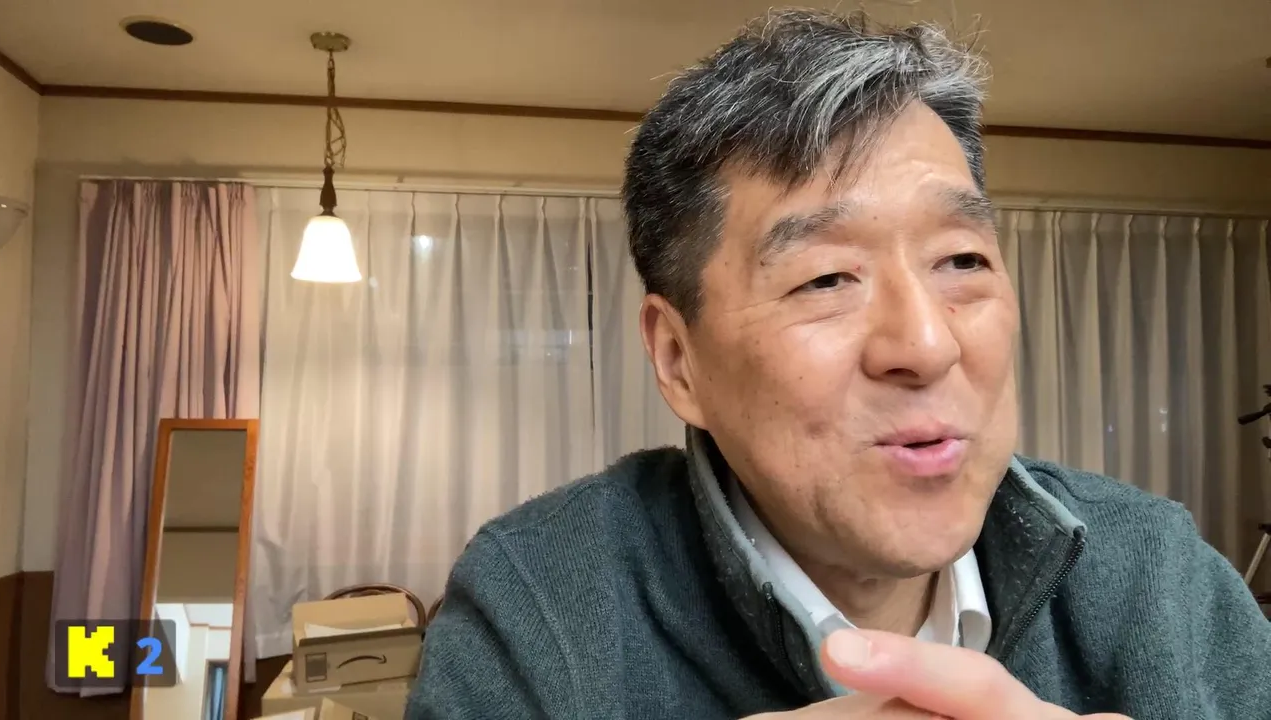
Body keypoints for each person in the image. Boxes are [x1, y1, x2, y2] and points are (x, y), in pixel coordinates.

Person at [408, 9, 1271, 719]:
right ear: (678, 360)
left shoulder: (1155, 572)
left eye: (962, 260)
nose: (927, 344)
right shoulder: (542, 606)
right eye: (826, 278)